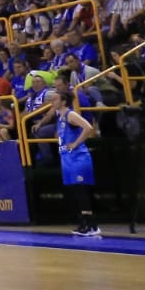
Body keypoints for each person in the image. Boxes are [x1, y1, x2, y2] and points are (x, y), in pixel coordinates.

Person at [48, 89, 100, 238]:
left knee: (82, 192)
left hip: (78, 157)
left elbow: (88, 127)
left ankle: (91, 225)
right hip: (68, 159)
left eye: (55, 99)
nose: (52, 102)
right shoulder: (60, 118)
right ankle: (85, 223)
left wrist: (76, 143)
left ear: (63, 101)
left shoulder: (71, 114)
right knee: (77, 192)